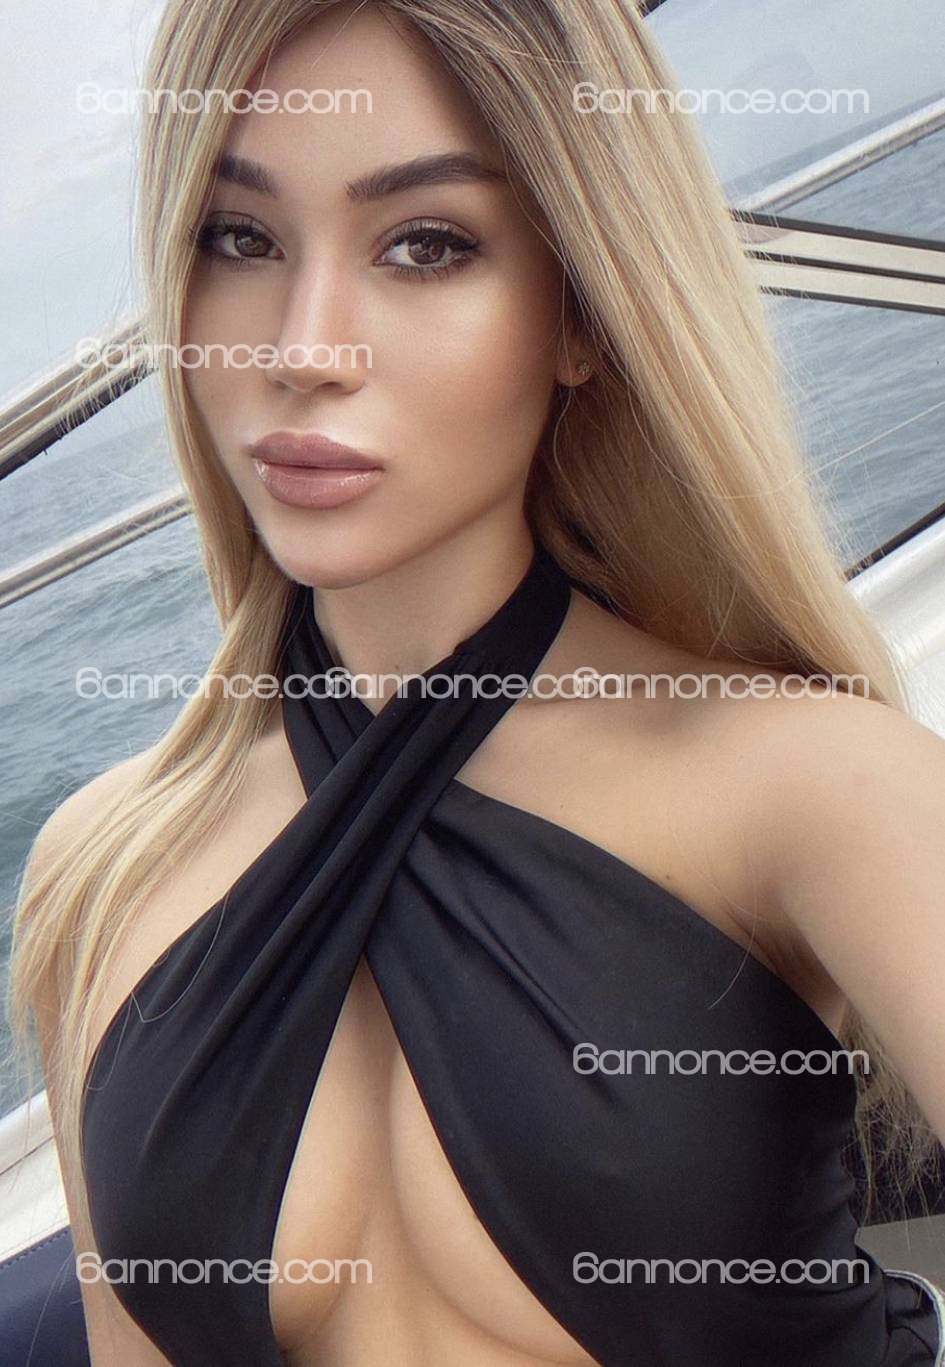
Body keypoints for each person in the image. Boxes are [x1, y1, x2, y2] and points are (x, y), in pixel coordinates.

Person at [9, 1, 945, 1363]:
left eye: (427, 244)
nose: (301, 350)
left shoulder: (814, 782)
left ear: (581, 316)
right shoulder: (98, 868)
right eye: (239, 238)